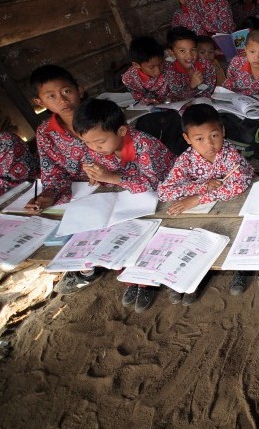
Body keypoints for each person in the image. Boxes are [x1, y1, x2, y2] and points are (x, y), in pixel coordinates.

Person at [72, 98, 175, 312]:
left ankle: (146, 281)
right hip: (127, 198)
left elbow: (153, 183)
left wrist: (113, 178)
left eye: (99, 142)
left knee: (149, 233)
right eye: (88, 143)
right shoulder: (96, 148)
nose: (94, 148)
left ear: (121, 131)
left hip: (164, 194)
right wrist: (95, 175)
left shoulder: (144, 145)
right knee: (115, 233)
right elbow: (99, 169)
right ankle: (129, 277)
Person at [157, 104, 254, 302]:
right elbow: (164, 192)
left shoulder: (229, 154)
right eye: (199, 139)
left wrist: (198, 199)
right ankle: (193, 277)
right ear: (187, 139)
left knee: (238, 230)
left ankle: (241, 268)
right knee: (194, 235)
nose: (209, 144)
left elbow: (239, 184)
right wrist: (202, 187)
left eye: (214, 135)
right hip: (205, 213)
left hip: (235, 206)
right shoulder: (186, 161)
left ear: (223, 131)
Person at [25, 66, 102, 294]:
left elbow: (125, 154)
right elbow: (53, 173)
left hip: (114, 184)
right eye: (51, 96)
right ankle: (86, 267)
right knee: (59, 223)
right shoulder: (45, 133)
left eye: (66, 91)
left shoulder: (102, 116)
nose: (62, 100)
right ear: (40, 102)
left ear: (80, 90)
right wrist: (47, 195)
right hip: (78, 191)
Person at [167, 27, 217, 100]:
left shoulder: (206, 66)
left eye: (193, 50)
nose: (190, 56)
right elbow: (175, 98)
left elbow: (209, 91)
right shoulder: (171, 70)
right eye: (182, 51)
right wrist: (191, 87)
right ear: (172, 53)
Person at [121, 36, 172, 105]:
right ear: (136, 65)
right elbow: (140, 98)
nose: (158, 71)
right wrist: (150, 101)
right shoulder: (129, 79)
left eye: (160, 64)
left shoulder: (170, 67)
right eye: (151, 67)